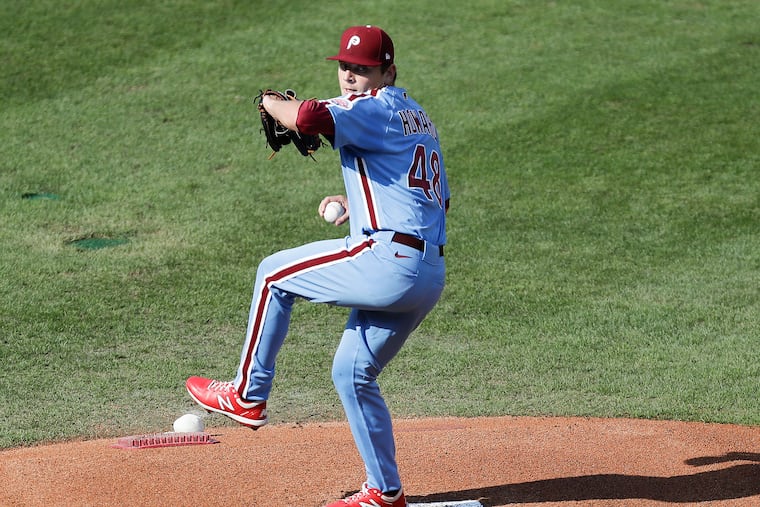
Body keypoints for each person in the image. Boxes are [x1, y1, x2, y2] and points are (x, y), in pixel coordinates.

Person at [186, 24, 449, 507]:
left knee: (272, 274)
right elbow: (431, 199)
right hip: (426, 273)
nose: (351, 76)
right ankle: (384, 492)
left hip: (387, 263)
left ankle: (246, 393)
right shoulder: (417, 117)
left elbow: (306, 116)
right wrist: (361, 207)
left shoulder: (374, 105)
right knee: (352, 374)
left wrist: (268, 102)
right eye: (346, 67)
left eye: (363, 69)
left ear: (388, 71)